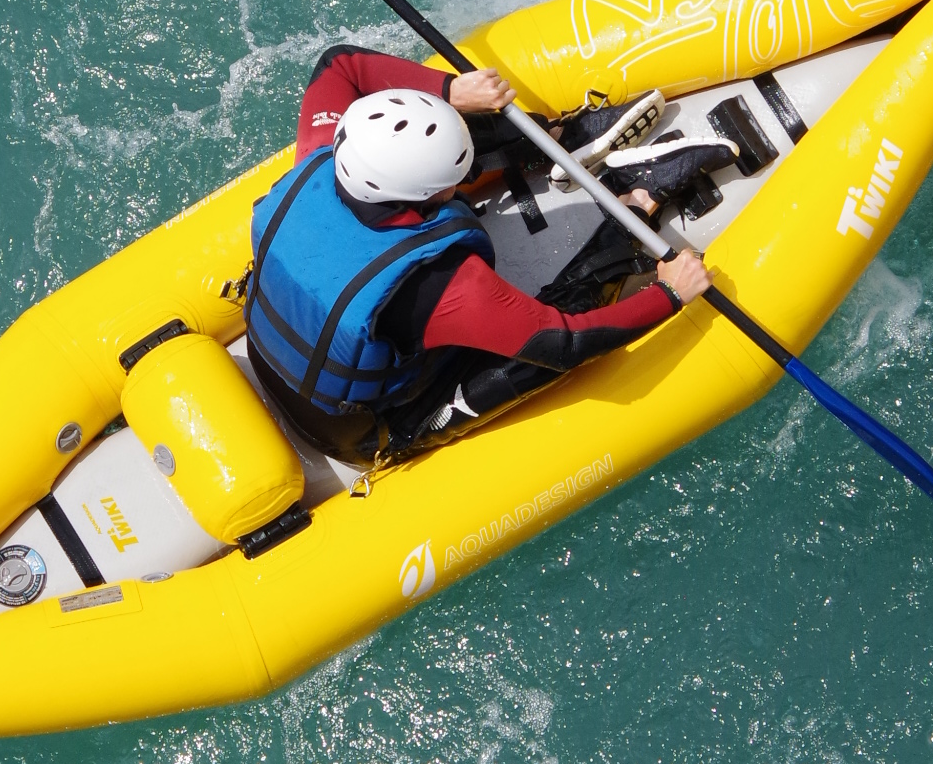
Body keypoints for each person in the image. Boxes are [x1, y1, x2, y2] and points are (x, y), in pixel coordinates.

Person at [243, 44, 709, 457]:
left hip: (274, 357)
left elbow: (338, 63)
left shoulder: (320, 151)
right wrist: (668, 294)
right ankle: (629, 215)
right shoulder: (440, 286)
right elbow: (564, 341)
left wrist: (451, 92)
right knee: (535, 350)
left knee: (444, 139)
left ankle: (560, 142)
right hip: (360, 425)